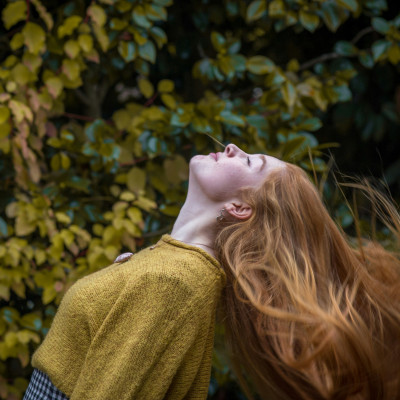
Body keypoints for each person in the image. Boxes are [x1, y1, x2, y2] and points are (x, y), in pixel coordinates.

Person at [23, 144, 400, 400]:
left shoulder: (174, 281)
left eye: (251, 162)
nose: (235, 147)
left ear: (240, 207)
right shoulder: (172, 268)